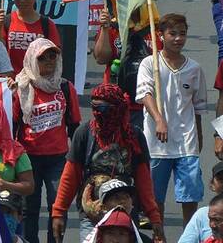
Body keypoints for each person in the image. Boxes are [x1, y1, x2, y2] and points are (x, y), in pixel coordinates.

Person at [51, 83, 163, 242]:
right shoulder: (84, 133)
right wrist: (59, 212)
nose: (97, 113)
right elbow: (71, 176)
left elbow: (143, 180)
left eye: (102, 109)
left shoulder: (134, 136)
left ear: (116, 109)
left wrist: (154, 216)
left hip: (126, 216)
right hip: (92, 217)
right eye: (93, 107)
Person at [137, 13, 208, 225]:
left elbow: (198, 108)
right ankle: (160, 236)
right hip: (157, 144)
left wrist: (199, 135)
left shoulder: (194, 69)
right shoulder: (149, 64)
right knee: (155, 197)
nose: (178, 39)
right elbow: (144, 95)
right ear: (161, 35)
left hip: (186, 143)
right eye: (172, 34)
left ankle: (189, 235)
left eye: (182, 34)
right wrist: (159, 119)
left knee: (191, 195)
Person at [14, 38, 80, 243]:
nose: (49, 61)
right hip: (28, 159)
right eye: (43, 57)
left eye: (53, 55)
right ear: (33, 60)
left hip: (58, 159)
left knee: (58, 206)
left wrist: (78, 161)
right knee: (28, 209)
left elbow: (75, 125)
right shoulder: (21, 88)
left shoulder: (66, 88)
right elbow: (13, 125)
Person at [0, 0, 62, 76]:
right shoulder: (5, 21)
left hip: (38, 81)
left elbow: (55, 56)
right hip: (11, 81)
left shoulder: (47, 24)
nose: (23, 0)